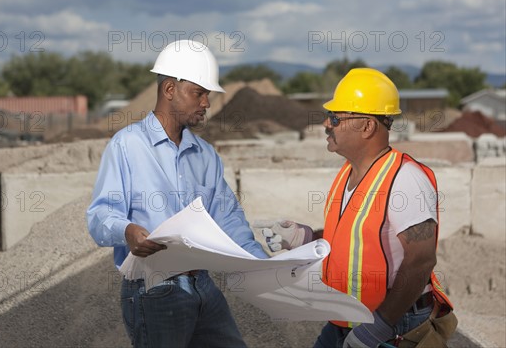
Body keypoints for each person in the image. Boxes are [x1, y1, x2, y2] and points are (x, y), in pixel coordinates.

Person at [86, 39, 268, 348]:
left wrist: (266, 266)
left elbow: (228, 219)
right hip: (153, 289)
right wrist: (127, 231)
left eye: (207, 94)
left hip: (202, 284)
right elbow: (100, 216)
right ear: (170, 90)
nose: (207, 103)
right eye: (199, 93)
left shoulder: (205, 155)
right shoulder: (127, 145)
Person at [263, 68, 456, 348]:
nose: (327, 125)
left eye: (336, 118)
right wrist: (306, 238)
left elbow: (421, 260)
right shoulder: (347, 174)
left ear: (367, 126)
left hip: (392, 324)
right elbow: (353, 238)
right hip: (346, 318)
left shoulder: (405, 179)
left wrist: (379, 327)